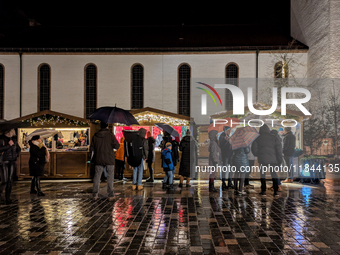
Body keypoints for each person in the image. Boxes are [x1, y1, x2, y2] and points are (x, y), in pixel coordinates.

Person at [90, 121, 119, 201]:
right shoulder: (110, 135)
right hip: (109, 158)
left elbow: (91, 148)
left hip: (98, 158)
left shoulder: (95, 135)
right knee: (110, 176)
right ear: (107, 126)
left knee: (97, 176)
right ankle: (110, 195)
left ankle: (95, 194)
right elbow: (117, 146)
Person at [251, 124, 283, 196]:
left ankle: (263, 191)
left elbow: (254, 149)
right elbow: (279, 150)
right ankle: (276, 191)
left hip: (262, 159)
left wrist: (258, 154)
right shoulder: (274, 138)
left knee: (262, 175)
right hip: (273, 160)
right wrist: (279, 160)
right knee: (273, 174)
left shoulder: (258, 138)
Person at [0, 129, 21, 204]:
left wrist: (16, 155)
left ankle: (7, 198)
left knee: (10, 181)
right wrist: (8, 145)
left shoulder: (14, 140)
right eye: (8, 132)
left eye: (11, 132)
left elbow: (18, 149)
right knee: (4, 181)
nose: (10, 133)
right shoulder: (2, 140)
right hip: (4, 162)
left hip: (12, 161)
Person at [218, 126, 234, 190]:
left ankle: (230, 181)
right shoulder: (222, 136)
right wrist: (226, 141)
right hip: (225, 155)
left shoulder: (229, 136)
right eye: (228, 130)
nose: (229, 131)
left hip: (230, 155)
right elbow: (221, 146)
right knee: (224, 168)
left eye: (230, 130)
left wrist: (230, 142)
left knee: (231, 168)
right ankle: (223, 182)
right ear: (225, 130)